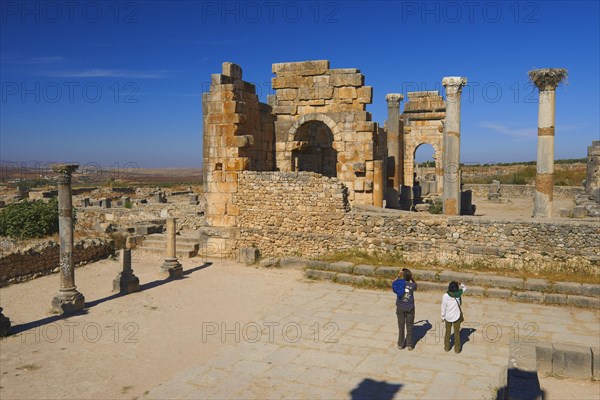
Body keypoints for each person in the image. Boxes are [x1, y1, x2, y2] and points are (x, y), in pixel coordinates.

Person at [392, 268, 417, 350]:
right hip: (410, 308)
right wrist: (411, 278)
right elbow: (415, 284)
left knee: (401, 326)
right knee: (409, 326)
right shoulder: (412, 286)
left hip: (400, 308)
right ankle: (409, 344)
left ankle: (400, 344)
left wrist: (398, 276)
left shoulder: (399, 285)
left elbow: (393, 283)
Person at [441, 281, 467, 353]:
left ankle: (447, 347)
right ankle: (457, 349)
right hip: (457, 316)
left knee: (447, 332)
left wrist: (442, 316)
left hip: (448, 317)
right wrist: (460, 283)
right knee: (457, 333)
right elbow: (465, 288)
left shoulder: (445, 296)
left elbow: (443, 307)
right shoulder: (459, 294)